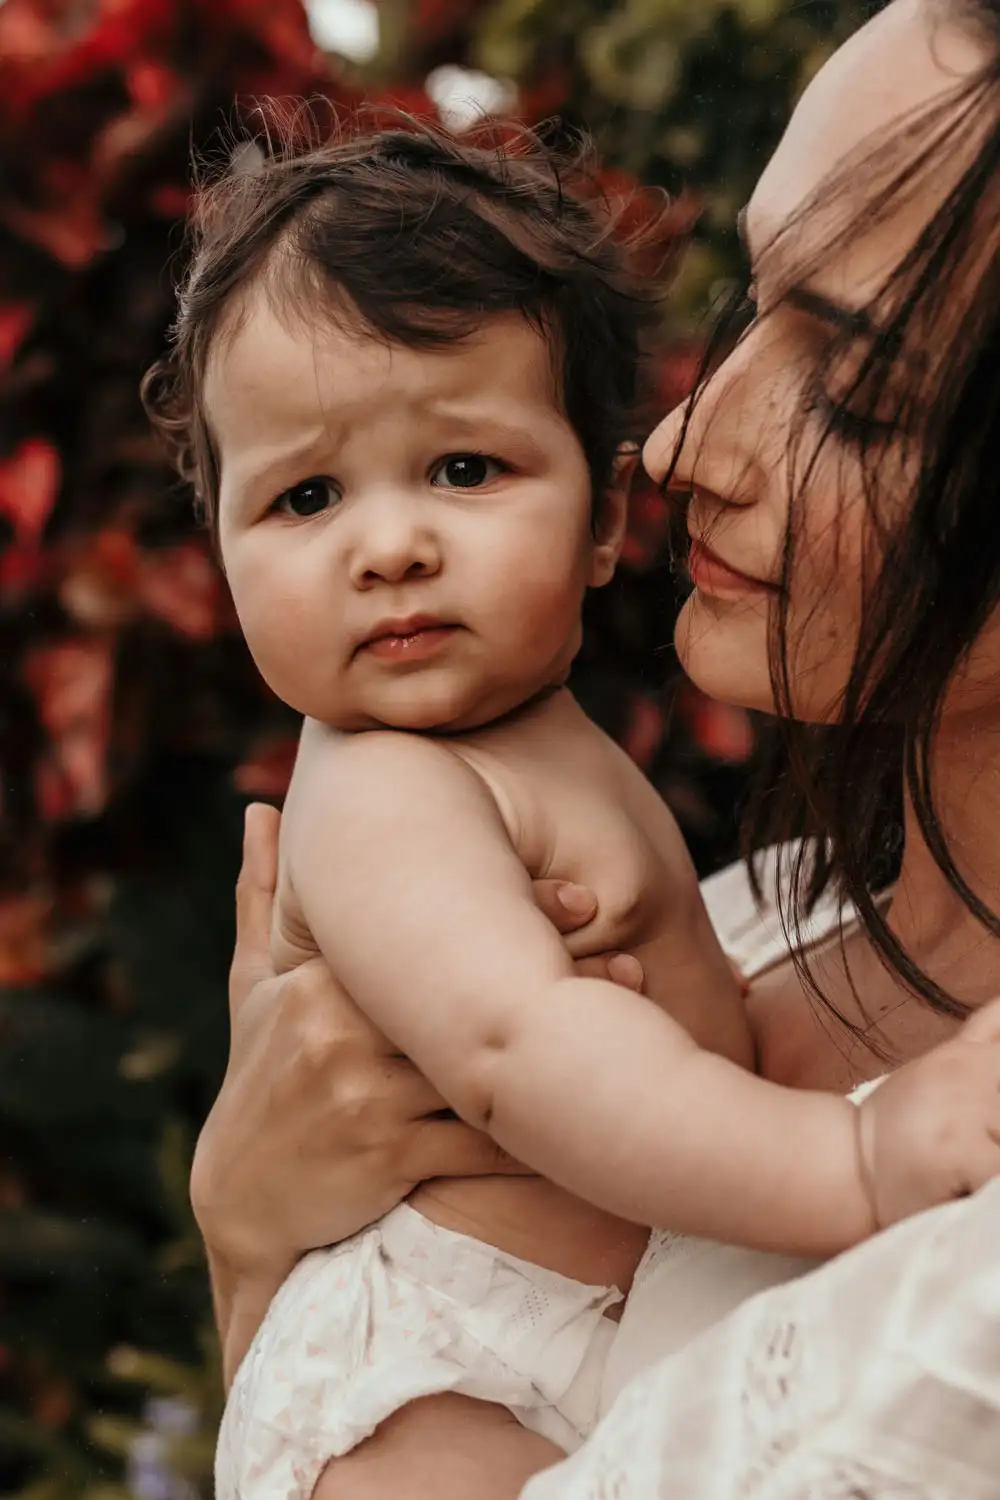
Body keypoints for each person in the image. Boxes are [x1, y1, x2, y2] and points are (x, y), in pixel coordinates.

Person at [186, 0, 1000, 1492]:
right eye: (303, 500)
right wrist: (247, 1235)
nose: (686, 446)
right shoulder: (771, 902)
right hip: (429, 1367)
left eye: (863, 391)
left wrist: (248, 1249)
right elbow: (515, 1056)